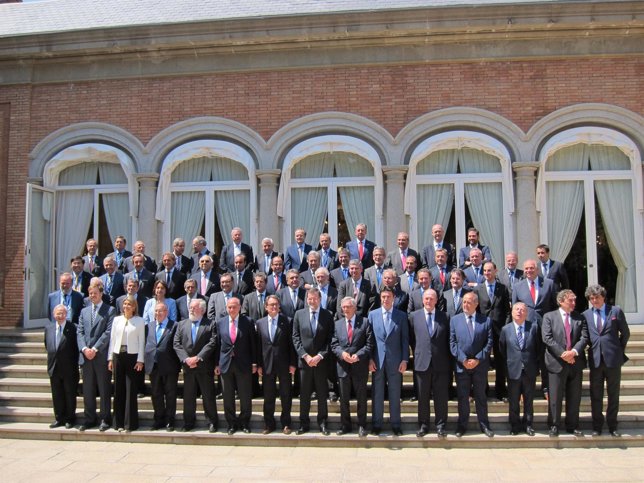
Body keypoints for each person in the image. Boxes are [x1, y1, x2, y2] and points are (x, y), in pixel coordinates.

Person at [583, 284, 630, 437]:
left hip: (613, 360)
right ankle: (597, 426)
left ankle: (612, 425)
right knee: (595, 394)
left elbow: (626, 333)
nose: (594, 300)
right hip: (596, 360)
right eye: (591, 298)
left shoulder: (615, 311)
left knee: (613, 393)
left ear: (603, 296)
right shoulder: (586, 315)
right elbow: (586, 337)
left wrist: (618, 349)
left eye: (597, 297)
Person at [542, 289, 589, 437]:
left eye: (574, 300)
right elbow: (547, 338)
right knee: (555, 397)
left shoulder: (579, 317)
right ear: (561, 301)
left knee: (574, 396)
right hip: (556, 362)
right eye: (571, 300)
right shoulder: (549, 317)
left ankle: (572, 425)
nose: (574, 303)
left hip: (575, 362)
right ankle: (554, 425)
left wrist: (573, 352)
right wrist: (563, 354)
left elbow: (584, 337)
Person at [449, 291, 494, 437]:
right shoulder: (455, 320)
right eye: (464, 302)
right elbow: (453, 343)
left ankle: (484, 424)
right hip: (462, 366)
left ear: (476, 304)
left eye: (469, 302)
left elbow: (489, 343)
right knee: (463, 397)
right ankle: (462, 425)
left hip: (479, 366)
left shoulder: (485, 321)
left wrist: (478, 360)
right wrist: (463, 359)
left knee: (480, 396)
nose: (465, 305)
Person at [513, 258, 557, 398]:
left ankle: (546, 387)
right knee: (526, 357)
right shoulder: (518, 286)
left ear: (537, 269)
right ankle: (524, 390)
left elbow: (555, 306)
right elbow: (514, 308)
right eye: (526, 269)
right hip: (525, 328)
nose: (529, 271)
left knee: (545, 357)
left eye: (531, 268)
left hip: (545, 326)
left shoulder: (549, 284)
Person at [408, 289, 450, 438]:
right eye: (426, 298)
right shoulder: (413, 316)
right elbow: (412, 339)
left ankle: (440, 425)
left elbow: (447, 340)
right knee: (422, 396)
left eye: (431, 298)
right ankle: (424, 424)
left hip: (441, 363)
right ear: (422, 300)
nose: (428, 301)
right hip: (422, 362)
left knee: (441, 396)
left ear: (436, 300)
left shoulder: (445, 317)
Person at [292, 287, 334, 435]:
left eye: (315, 298)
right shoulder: (299, 314)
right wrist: (305, 356)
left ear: (320, 299)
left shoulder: (328, 315)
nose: (312, 301)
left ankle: (322, 422)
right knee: (304, 395)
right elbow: (295, 338)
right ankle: (304, 423)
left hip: (321, 362)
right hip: (304, 363)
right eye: (309, 299)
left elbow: (331, 340)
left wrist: (320, 356)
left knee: (322, 394)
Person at [173, 298, 219, 432]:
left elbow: (212, 342)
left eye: (194, 307)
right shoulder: (181, 324)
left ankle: (212, 421)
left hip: (204, 366)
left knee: (208, 395)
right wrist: (186, 360)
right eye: (190, 307)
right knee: (188, 396)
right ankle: (188, 422)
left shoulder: (210, 324)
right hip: (188, 367)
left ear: (203, 310)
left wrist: (198, 358)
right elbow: (176, 344)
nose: (191, 309)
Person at [368, 287, 409, 436]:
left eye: (388, 297)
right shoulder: (372, 315)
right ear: (380, 298)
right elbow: (369, 340)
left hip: (395, 360)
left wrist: (405, 359)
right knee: (377, 393)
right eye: (383, 297)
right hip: (377, 360)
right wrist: (370, 359)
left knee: (395, 392)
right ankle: (376, 423)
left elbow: (405, 340)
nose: (386, 299)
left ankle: (396, 424)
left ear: (394, 298)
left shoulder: (401, 316)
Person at [331, 296, 373, 437]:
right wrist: (342, 354)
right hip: (343, 366)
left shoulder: (365, 322)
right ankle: (345, 425)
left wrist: (358, 355)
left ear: (355, 308)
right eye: (343, 307)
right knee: (344, 398)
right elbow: (334, 344)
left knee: (361, 397)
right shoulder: (337, 324)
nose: (346, 309)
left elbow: (369, 344)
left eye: (348, 307)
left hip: (359, 366)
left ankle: (362, 425)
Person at [77, 284, 115, 431]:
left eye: (95, 293)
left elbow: (108, 332)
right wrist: (85, 349)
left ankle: (105, 419)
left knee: (104, 389)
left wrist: (95, 348)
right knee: (88, 389)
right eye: (90, 293)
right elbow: (79, 332)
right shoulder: (84, 311)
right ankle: (89, 418)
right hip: (86, 356)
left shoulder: (110, 310)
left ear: (101, 293)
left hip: (100, 355)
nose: (92, 296)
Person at [216, 297, 257, 434]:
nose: (232, 309)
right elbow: (217, 345)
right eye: (229, 307)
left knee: (245, 396)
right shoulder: (220, 322)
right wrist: (216, 364)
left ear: (239, 307)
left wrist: (254, 362)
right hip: (225, 364)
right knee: (227, 396)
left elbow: (253, 343)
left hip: (243, 364)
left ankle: (245, 422)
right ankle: (231, 423)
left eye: (234, 307)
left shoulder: (248, 322)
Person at [256, 295, 296, 434]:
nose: (274, 307)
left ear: (279, 306)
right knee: (268, 396)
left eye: (276, 304)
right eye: (271, 304)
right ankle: (269, 424)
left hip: (284, 364)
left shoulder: (288, 321)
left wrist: (292, 363)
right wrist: (259, 365)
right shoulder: (260, 323)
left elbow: (292, 344)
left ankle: (286, 423)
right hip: (267, 365)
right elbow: (258, 346)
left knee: (286, 395)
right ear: (266, 307)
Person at [499, 302, 541, 436]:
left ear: (526, 313)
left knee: (529, 400)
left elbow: (538, 348)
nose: (519, 312)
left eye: (522, 310)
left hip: (529, 370)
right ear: (512, 312)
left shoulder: (533, 327)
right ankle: (515, 425)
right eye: (517, 309)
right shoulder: (506, 329)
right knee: (513, 400)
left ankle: (528, 424)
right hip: (513, 370)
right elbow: (502, 350)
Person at [473, 261, 511, 400]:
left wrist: (505, 328)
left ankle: (501, 390)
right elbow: (475, 311)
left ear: (495, 271)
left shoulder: (503, 288)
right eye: (485, 271)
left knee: (501, 362)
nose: (487, 273)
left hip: (500, 330)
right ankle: (484, 390)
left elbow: (507, 311)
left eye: (490, 270)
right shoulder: (478, 289)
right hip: (483, 330)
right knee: (483, 361)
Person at [108, 296, 145, 432]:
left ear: (134, 307)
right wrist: (110, 359)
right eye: (124, 304)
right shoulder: (117, 320)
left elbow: (142, 341)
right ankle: (118, 422)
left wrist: (140, 360)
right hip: (118, 355)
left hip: (133, 356)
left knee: (130, 390)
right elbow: (112, 340)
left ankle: (130, 423)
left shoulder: (139, 321)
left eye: (129, 304)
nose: (126, 306)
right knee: (118, 389)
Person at [144, 302, 180, 431]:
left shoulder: (174, 326)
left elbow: (177, 344)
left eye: (160, 311)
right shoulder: (149, 326)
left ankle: (170, 420)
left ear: (166, 312)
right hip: (153, 365)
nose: (157, 314)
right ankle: (158, 419)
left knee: (170, 393)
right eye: (156, 311)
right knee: (156, 393)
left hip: (170, 365)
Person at [44, 304, 79, 429]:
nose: (60, 315)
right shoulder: (48, 328)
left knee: (69, 394)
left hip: (69, 367)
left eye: (63, 313)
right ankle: (59, 418)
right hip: (54, 367)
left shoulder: (73, 328)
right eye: (58, 313)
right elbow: (48, 346)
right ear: (54, 315)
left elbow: (76, 348)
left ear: (66, 314)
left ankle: (70, 418)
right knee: (57, 394)